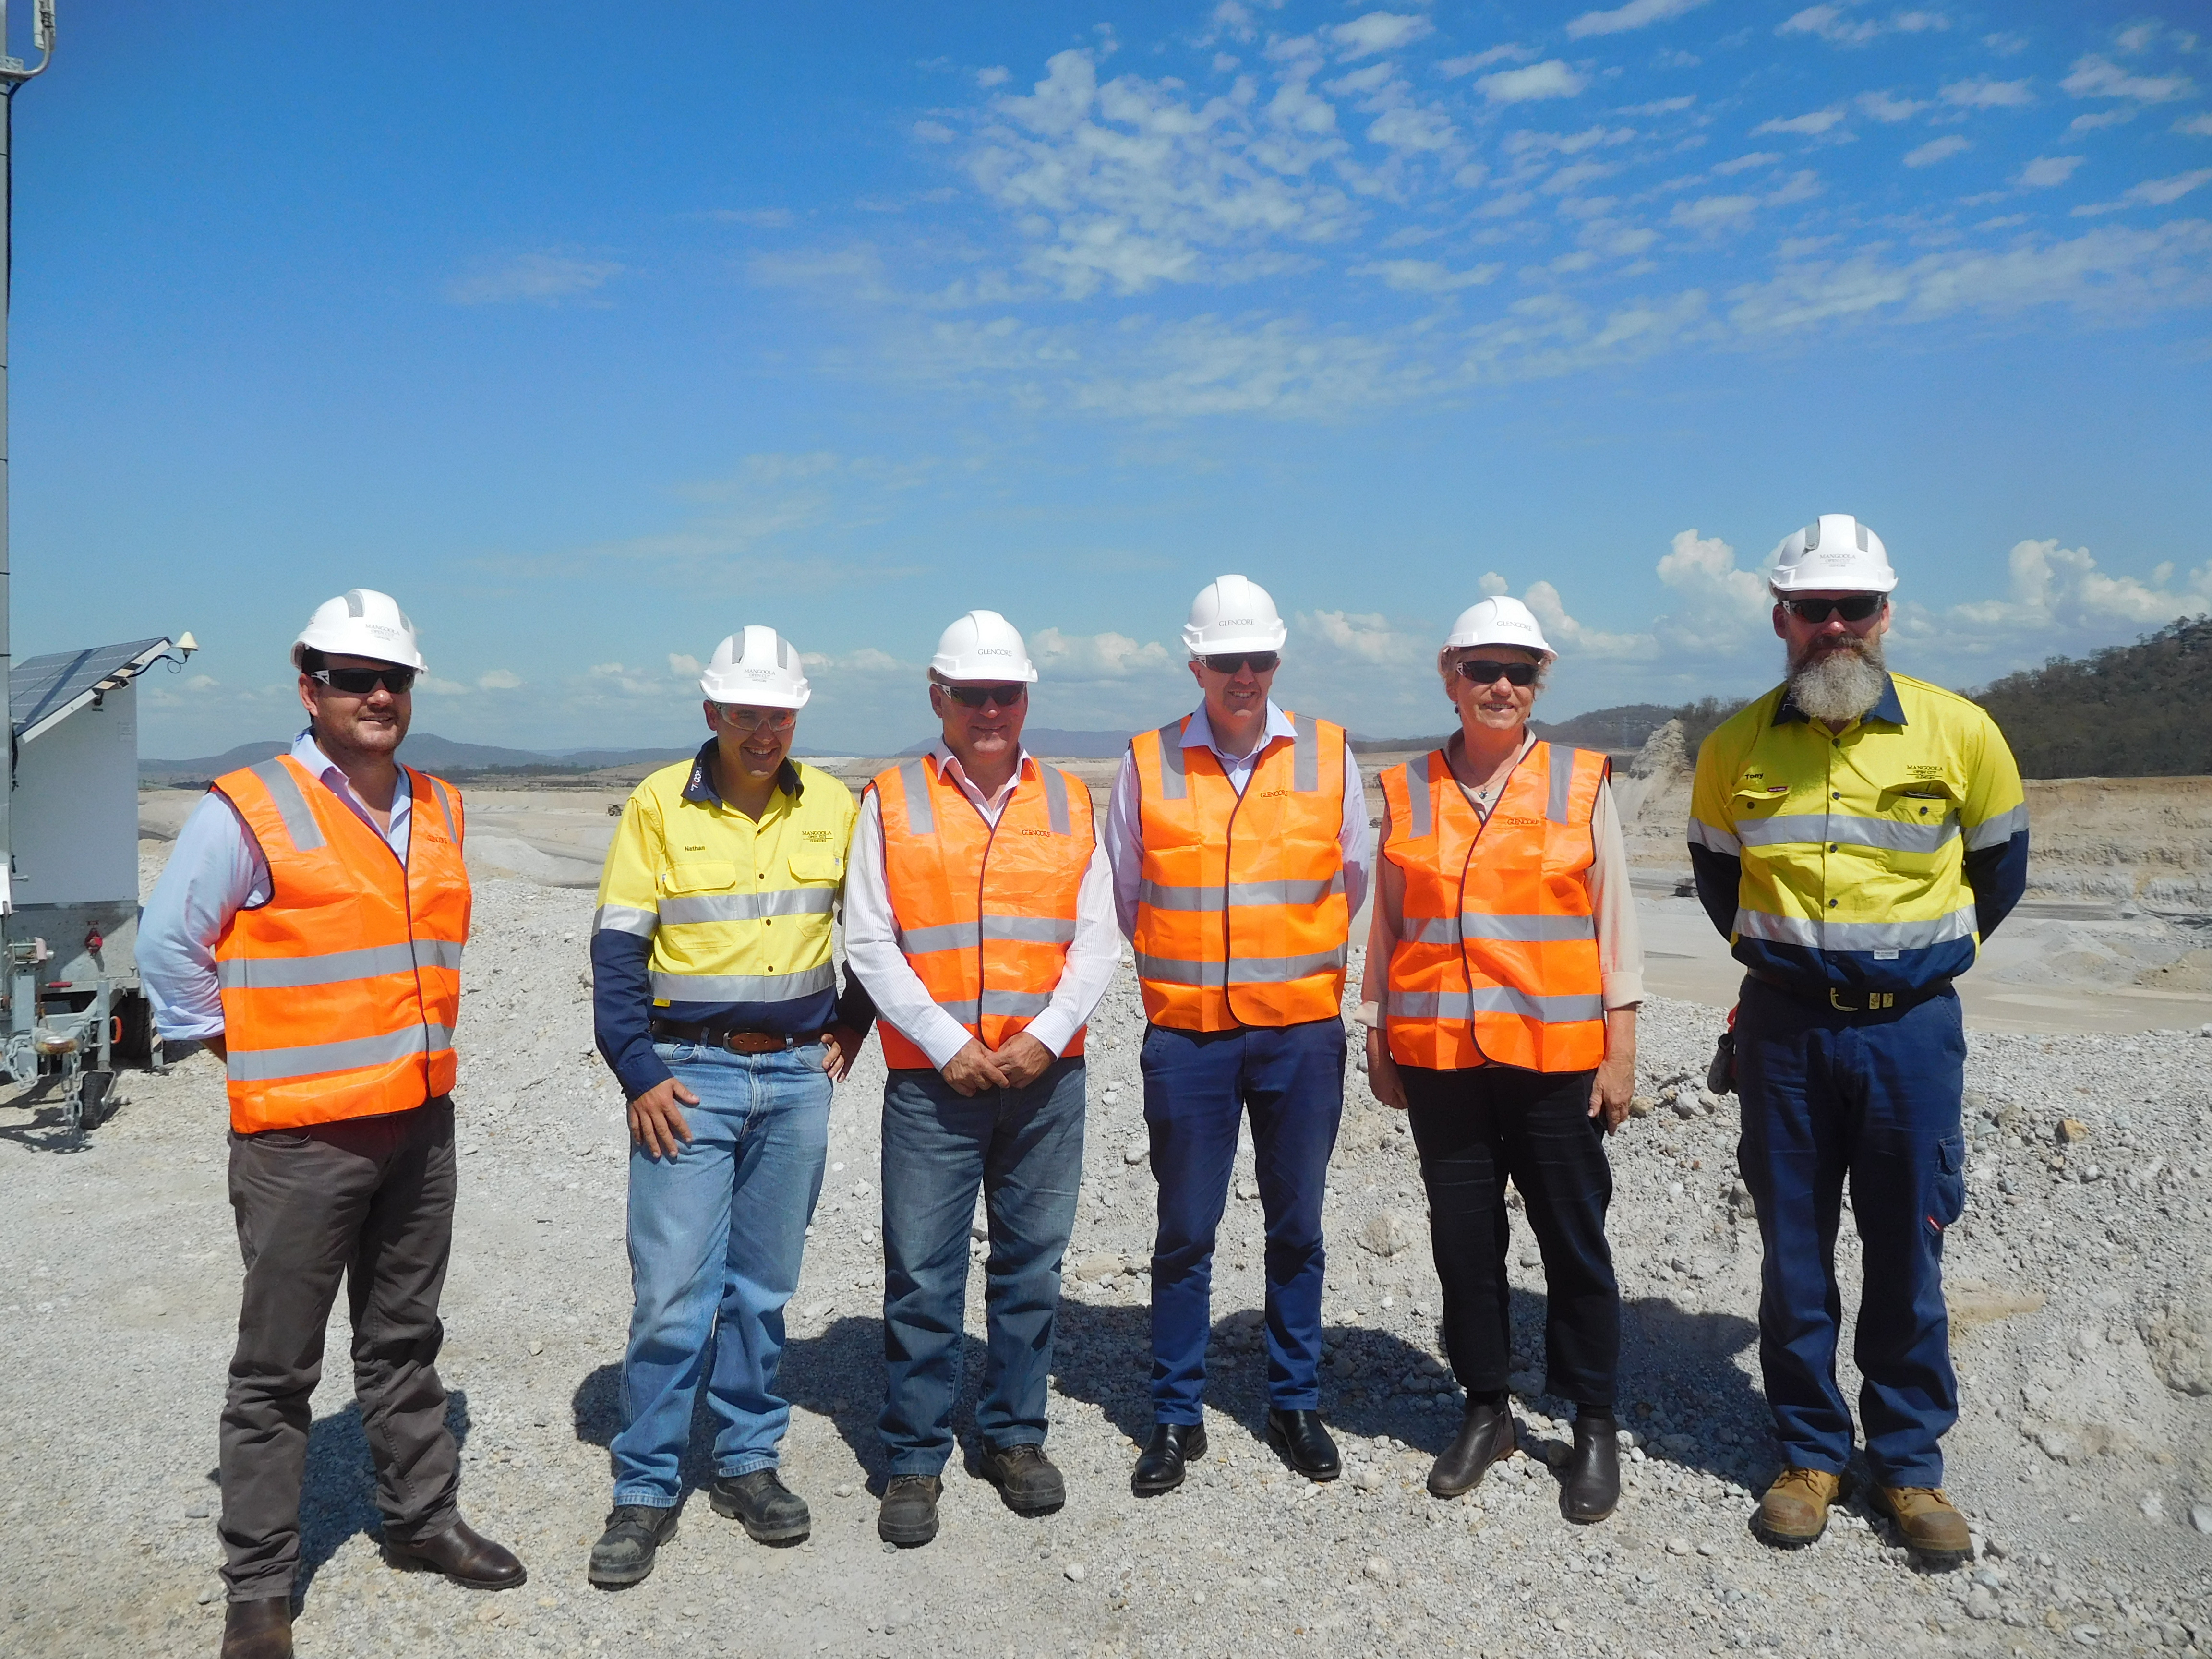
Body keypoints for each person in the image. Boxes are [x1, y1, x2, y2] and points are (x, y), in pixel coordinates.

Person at [139, 590, 525, 1659]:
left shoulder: (441, 806)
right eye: (354, 678)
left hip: (419, 1127)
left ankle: (420, 1521)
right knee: (278, 1369)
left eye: (393, 678)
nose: (377, 695)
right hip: (302, 1140)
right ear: (309, 686)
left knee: (404, 1339)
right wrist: (245, 1048)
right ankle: (260, 1587)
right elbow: (170, 947)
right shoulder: (251, 806)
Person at [1688, 515, 2028, 1569]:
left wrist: (1905, 966)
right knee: (1794, 1254)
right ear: (1780, 618)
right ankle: (1809, 1456)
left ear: (1886, 613)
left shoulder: (1961, 733)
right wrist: (1799, 969)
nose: (1834, 625)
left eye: (1855, 606)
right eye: (1813, 607)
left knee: (1907, 1247)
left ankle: (1910, 1465)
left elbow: (2000, 872)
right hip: (1784, 1034)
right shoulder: (1733, 748)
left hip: (1908, 1038)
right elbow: (1718, 879)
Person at [584, 626, 873, 1589]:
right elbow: (618, 948)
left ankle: (748, 1459)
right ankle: (647, 1483)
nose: (763, 732)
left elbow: (874, 931)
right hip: (686, 1076)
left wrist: (855, 1022)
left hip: (795, 1079)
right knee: (673, 1291)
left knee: (762, 1289)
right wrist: (637, 1071)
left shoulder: (833, 805)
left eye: (779, 714)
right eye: (746, 713)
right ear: (712, 712)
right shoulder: (659, 804)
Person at [1359, 597, 1644, 1523]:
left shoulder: (1579, 781)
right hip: (1442, 1056)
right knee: (1464, 1242)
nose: (1501, 687)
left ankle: (1592, 1420)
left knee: (1574, 1238)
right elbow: (1389, 924)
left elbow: (1613, 921)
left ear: (1538, 683)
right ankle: (1487, 1408)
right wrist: (1377, 1031)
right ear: (1451, 678)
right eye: (1483, 670)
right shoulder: (1407, 789)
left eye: (1519, 672)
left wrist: (1621, 1050)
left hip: (1556, 1057)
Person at [843, 611, 1118, 1546]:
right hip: (935, 1085)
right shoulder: (892, 798)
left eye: (1005, 693)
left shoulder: (1069, 800)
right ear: (940, 698)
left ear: (1026, 697)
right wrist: (943, 1042)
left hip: (1047, 1080)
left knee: (1031, 1267)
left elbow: (1097, 936)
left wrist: (1045, 1036)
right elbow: (869, 938)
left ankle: (1013, 1436)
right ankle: (915, 1456)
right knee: (923, 1275)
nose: (990, 710)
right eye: (972, 694)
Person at [1103, 574, 1370, 1494]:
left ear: (1277, 660)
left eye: (1257, 658)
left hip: (1301, 1035)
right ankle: (1176, 1415)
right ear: (1196, 665)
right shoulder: (1147, 762)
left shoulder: (1330, 755)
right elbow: (1127, 892)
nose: (1243, 675)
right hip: (1190, 1038)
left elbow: (1351, 882)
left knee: (1298, 1226)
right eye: (1225, 661)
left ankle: (1294, 1402)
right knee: (1185, 1231)